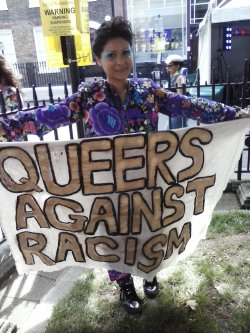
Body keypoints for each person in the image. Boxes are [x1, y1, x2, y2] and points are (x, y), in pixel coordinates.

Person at [0, 16, 249, 314]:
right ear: (98, 60)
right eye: (111, 55)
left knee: (149, 230)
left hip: (147, 184)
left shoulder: (147, 92)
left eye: (126, 52)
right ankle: (125, 286)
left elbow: (189, 106)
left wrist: (234, 114)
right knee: (114, 238)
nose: (120, 61)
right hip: (106, 189)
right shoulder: (90, 96)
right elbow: (47, 117)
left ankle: (150, 272)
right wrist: (6, 127)